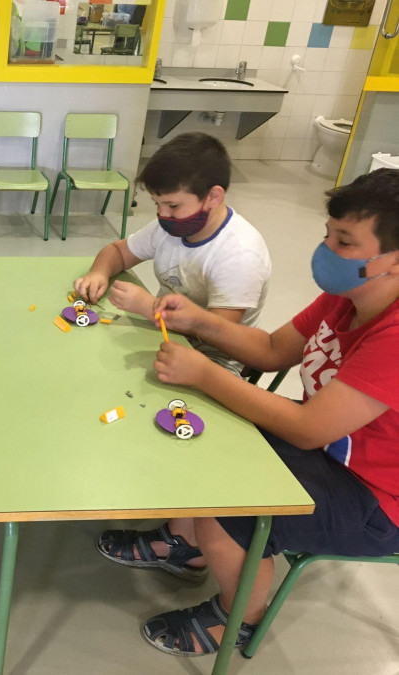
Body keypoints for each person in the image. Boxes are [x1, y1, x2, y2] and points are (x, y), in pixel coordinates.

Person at [106, 168, 399, 656]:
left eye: (344, 242)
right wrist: (198, 320)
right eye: (327, 234)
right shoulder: (346, 297)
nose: (327, 250)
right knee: (205, 430)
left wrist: (203, 372)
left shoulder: (392, 337)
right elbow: (268, 350)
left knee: (231, 502)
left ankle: (238, 617)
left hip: (376, 499)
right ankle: (189, 547)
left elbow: (306, 430)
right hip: (332, 450)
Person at [73, 132, 271, 376]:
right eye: (157, 204)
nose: (162, 214)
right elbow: (118, 252)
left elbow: (218, 334)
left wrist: (149, 308)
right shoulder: (171, 227)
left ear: (213, 196)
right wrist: (99, 273)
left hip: (214, 361)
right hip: (166, 333)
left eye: (173, 206)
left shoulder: (239, 255)